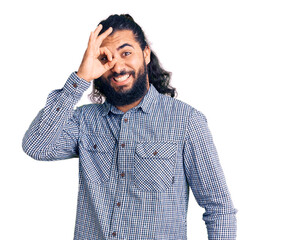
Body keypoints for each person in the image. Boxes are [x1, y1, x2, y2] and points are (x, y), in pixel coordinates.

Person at [22, 14, 237, 240]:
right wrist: (81, 78)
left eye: (126, 53)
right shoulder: (83, 121)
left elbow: (219, 209)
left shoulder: (186, 121)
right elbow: (37, 147)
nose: (117, 66)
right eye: (106, 58)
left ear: (145, 54)